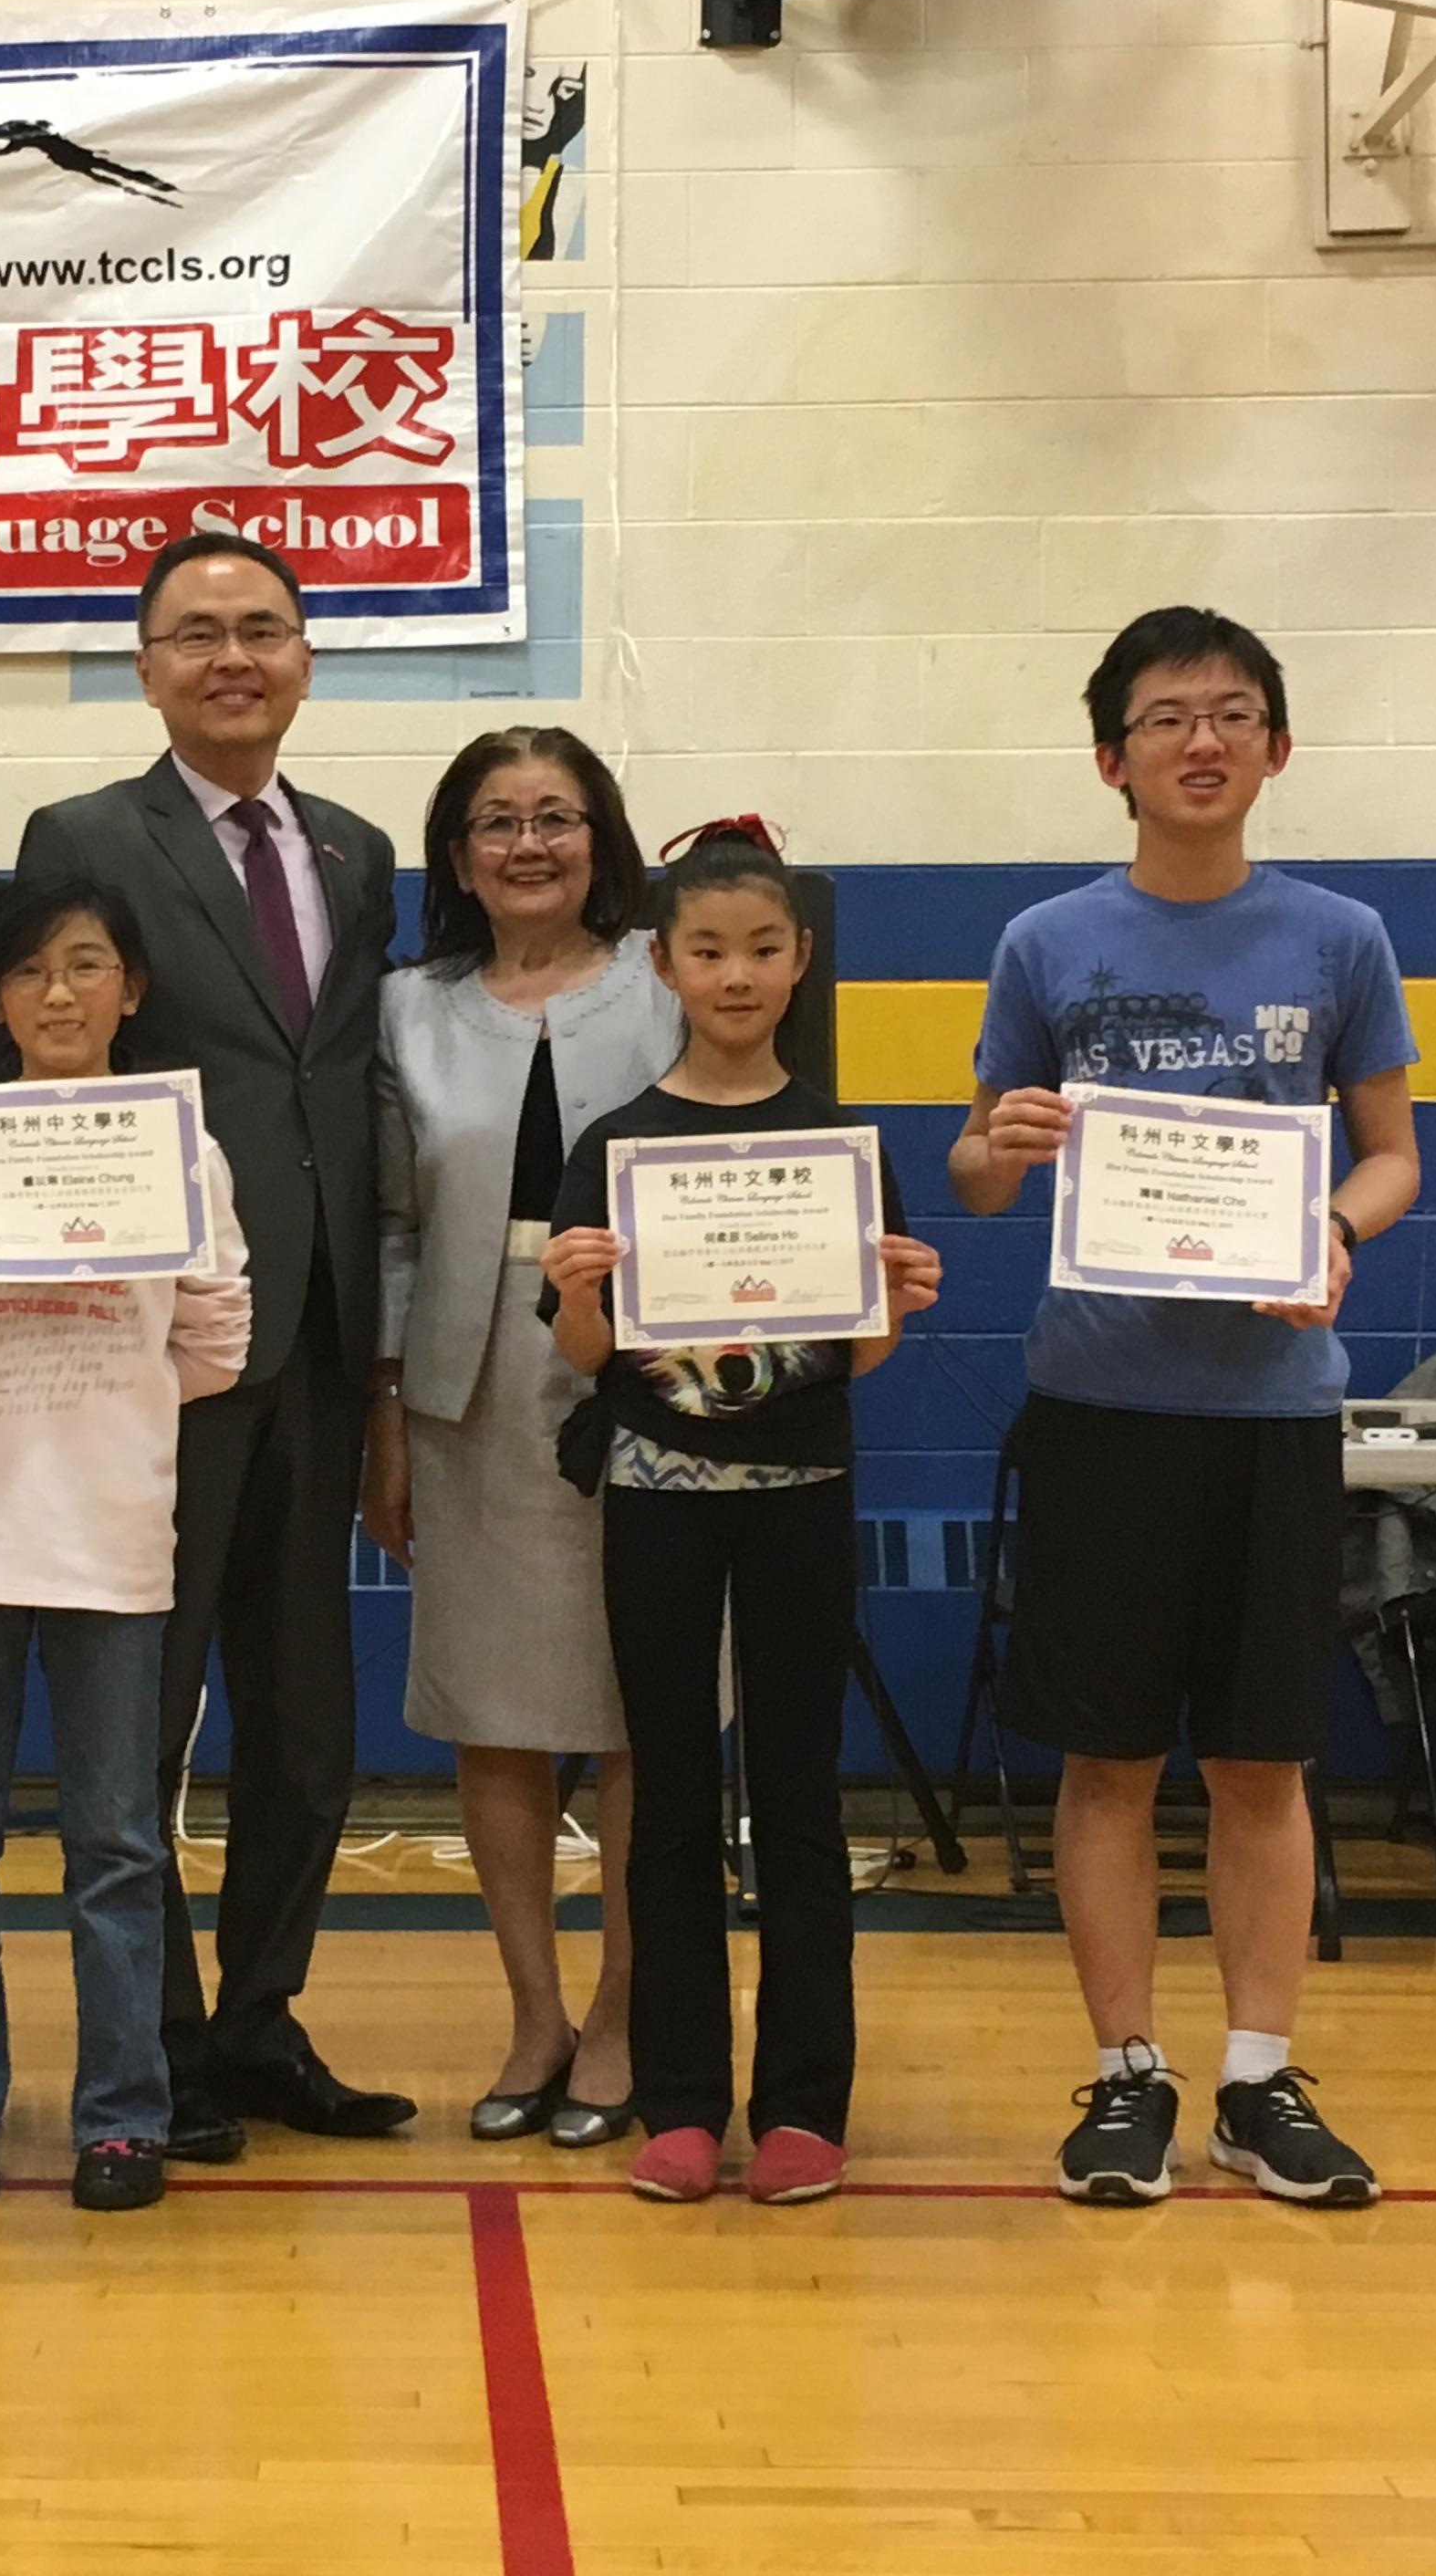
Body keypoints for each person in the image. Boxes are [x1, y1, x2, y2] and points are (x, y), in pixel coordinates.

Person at [946, 606, 1420, 2211]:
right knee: (1108, 1761)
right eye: (1164, 718)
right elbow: (972, 1169)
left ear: (1275, 748)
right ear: (1112, 760)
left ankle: (1260, 2078)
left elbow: (1394, 1151)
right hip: (1100, 1406)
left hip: (1275, 1409)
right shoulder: (1046, 943)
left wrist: (1336, 1232)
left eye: (1231, 714)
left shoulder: (1340, 938)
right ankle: (1130, 2073)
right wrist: (1001, 1144)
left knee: (1265, 1766)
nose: (1200, 740)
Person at [14, 533, 412, 2158]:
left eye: (263, 630)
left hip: (319, 1340)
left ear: (307, 657)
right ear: (148, 665)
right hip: (159, 1349)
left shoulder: (363, 848)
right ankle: (154, 2045)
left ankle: (260, 2024)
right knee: (144, 1714)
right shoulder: (84, 837)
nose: (232, 657)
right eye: (196, 635)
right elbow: (58, 1060)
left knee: (307, 1725)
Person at [541, 819, 942, 2206]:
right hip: (656, 1498)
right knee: (665, 1795)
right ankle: (681, 2102)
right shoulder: (615, 1145)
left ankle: (805, 2106)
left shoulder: (839, 1145)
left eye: (762, 950)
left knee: (800, 1795)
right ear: (664, 963)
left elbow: (862, 1355)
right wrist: (584, 1293)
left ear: (800, 961)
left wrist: (896, 1302)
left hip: (802, 1495)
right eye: (707, 949)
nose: (735, 974)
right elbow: (585, 1361)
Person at [0, 879, 254, 2216]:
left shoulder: (181, 1151)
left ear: (130, 990)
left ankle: (121, 2117)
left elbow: (218, 1343)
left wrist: (115, 1395)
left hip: (112, 1539)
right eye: (31, 973)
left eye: (88, 966)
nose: (59, 994)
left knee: (117, 1849)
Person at [368, 726, 674, 2148]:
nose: (530, 844)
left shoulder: (667, 988)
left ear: (600, 838)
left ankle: (621, 2014)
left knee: (635, 1710)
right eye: (497, 821)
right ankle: (534, 2012)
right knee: (494, 1711)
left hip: (651, 1371)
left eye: (557, 816)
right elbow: (386, 1225)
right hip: (468, 1377)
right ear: (456, 856)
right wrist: (381, 1404)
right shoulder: (405, 1010)